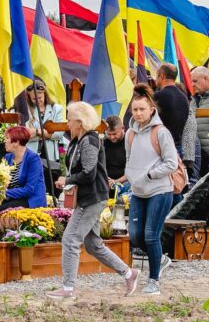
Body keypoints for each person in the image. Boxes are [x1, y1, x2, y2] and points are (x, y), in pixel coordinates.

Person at [46, 101, 139, 299]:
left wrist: (68, 180)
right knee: (93, 244)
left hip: (92, 197)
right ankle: (129, 273)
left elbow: (89, 172)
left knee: (70, 239)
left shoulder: (89, 141)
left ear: (80, 122)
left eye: (70, 120)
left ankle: (68, 288)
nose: (67, 124)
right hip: (88, 196)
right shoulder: (78, 140)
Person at [124, 85, 179, 296]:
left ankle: (154, 280)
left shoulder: (161, 132)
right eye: (135, 110)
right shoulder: (130, 133)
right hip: (138, 191)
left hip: (159, 190)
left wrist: (150, 174)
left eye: (142, 110)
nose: (138, 114)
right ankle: (161, 259)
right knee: (135, 235)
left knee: (150, 235)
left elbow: (171, 163)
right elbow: (129, 159)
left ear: (151, 109)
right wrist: (131, 175)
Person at [24, 78, 66, 192]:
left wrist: (37, 132)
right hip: (33, 152)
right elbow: (27, 134)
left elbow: (58, 133)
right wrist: (47, 133)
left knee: (52, 185)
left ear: (45, 94)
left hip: (51, 155)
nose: (37, 101)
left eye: (39, 98)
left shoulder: (56, 109)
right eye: (34, 98)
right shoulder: (27, 110)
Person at [0, 125, 46, 210]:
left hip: (30, 200)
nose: (4, 141)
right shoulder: (7, 157)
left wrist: (4, 193)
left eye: (7, 138)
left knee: (0, 208)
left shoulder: (33, 159)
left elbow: (29, 190)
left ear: (16, 142)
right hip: (13, 198)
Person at [190, 66, 209, 180]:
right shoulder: (194, 99)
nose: (192, 85)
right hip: (196, 156)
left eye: (195, 81)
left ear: (206, 78)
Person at [154, 64, 189, 151]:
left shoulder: (159, 96)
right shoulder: (184, 97)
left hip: (162, 146)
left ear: (162, 75)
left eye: (156, 75)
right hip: (178, 146)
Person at [103, 115, 128, 196]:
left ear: (123, 129)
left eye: (114, 134)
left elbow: (134, 170)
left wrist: (116, 181)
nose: (112, 137)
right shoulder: (104, 143)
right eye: (109, 134)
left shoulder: (130, 143)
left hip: (125, 185)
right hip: (106, 184)